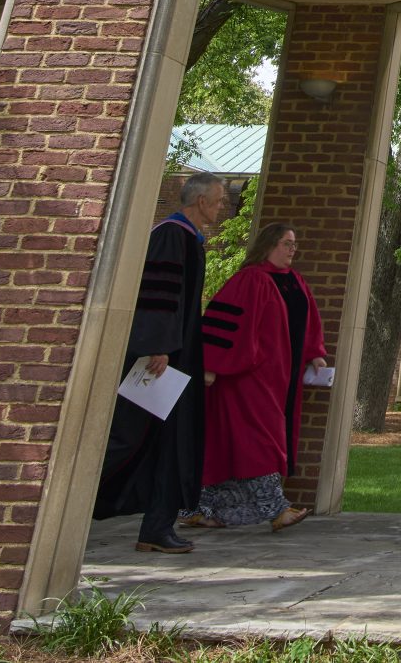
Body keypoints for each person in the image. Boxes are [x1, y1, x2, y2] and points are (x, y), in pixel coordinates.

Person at [95, 171, 228, 553]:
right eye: (218, 200)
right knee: (131, 436)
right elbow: (157, 294)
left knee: (170, 443)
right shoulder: (171, 234)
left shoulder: (190, 238)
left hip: (177, 355)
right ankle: (70, 502)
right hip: (161, 358)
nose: (222, 207)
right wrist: (157, 346)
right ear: (201, 201)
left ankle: (156, 528)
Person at [194, 222, 329, 532]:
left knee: (241, 444)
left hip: (282, 379)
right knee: (261, 442)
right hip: (247, 378)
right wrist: (212, 365)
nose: (293, 249)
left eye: (294, 243)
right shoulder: (249, 280)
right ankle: (277, 509)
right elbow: (223, 326)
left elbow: (309, 322)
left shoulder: (295, 281)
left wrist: (314, 352)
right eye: (286, 243)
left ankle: (201, 507)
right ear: (268, 245)